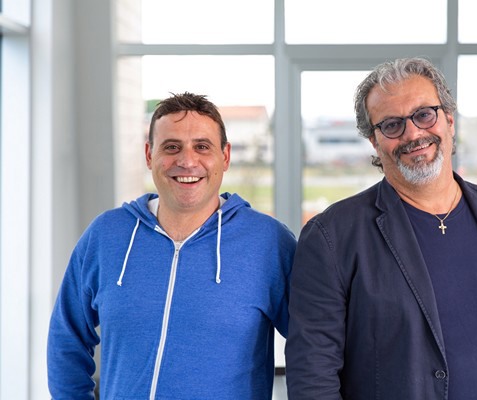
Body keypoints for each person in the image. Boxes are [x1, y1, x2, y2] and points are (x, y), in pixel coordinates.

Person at [285, 58, 477, 399]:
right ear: (375, 142)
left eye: (424, 115)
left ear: (449, 120)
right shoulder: (331, 237)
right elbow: (313, 377)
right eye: (392, 124)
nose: (412, 134)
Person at [47, 92, 296, 399]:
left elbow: (314, 346)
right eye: (172, 147)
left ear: (225, 156)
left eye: (202, 147)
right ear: (149, 154)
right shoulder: (106, 235)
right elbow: (66, 338)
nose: (187, 161)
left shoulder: (269, 242)